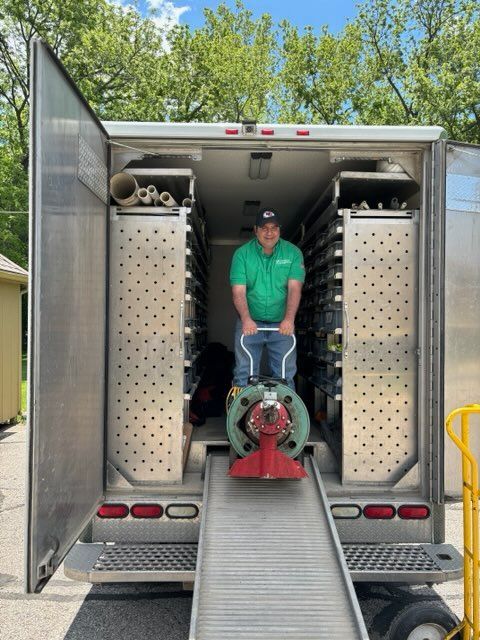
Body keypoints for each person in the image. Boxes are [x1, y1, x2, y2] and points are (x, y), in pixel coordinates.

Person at [229, 208, 305, 390]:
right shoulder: (242, 254)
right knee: (244, 374)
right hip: (250, 323)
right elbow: (238, 291)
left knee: (285, 376)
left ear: (279, 229)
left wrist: (289, 320)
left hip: (282, 325)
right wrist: (246, 320)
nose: (269, 232)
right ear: (256, 230)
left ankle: (285, 417)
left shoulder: (293, 253)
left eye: (274, 227)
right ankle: (242, 417)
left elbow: (295, 289)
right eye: (264, 228)